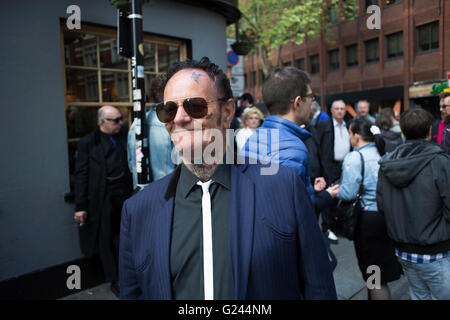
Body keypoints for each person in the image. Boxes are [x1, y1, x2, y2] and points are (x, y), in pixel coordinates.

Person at [119, 57, 337, 300]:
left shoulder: (283, 185)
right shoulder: (138, 210)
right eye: (169, 109)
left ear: (227, 112)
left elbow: (318, 286)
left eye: (195, 106)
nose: (178, 118)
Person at [241, 66, 339, 213]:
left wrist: (310, 187)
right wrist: (326, 196)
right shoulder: (293, 149)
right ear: (298, 102)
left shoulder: (255, 137)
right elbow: (294, 212)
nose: (312, 101)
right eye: (311, 97)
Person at [377, 108, 450, 300]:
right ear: (429, 130)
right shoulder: (440, 161)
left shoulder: (387, 163)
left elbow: (382, 206)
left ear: (402, 130)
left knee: (419, 295)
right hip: (436, 250)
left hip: (404, 250)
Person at [337, 118, 402, 300]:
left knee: (374, 276)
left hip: (368, 222)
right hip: (385, 217)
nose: (350, 138)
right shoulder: (383, 153)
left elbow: (348, 193)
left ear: (357, 136)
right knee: (379, 271)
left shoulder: (355, 157)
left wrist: (334, 191)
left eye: (350, 134)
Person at [74, 105, 133, 297]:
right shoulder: (88, 143)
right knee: (106, 239)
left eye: (121, 118)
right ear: (102, 122)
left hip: (125, 193)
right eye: (115, 120)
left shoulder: (124, 134)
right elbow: (81, 175)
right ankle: (114, 279)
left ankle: (129, 275)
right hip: (104, 196)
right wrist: (80, 206)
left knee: (127, 236)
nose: (120, 123)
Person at [127, 75, 179, 189]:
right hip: (166, 196)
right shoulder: (173, 126)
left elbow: (131, 165)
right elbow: (183, 168)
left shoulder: (134, 126)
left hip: (141, 196)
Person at [315, 100, 351, 243]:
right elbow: (318, 146)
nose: (340, 111)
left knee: (342, 196)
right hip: (329, 165)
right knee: (329, 196)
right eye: (337, 109)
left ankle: (338, 225)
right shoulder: (324, 125)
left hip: (345, 166)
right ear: (331, 110)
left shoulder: (348, 125)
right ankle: (327, 227)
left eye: (342, 108)